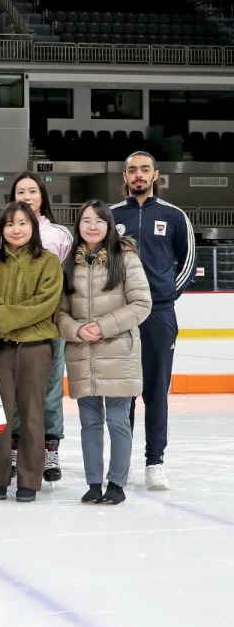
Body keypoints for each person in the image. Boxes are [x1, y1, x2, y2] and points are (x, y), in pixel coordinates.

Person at [112, 151, 196, 491]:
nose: (138, 175)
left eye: (144, 169)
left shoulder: (174, 216)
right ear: (125, 175)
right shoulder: (111, 215)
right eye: (132, 170)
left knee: (156, 390)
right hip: (120, 315)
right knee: (124, 391)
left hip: (159, 313)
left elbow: (187, 259)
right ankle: (123, 460)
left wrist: (164, 295)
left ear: (156, 175)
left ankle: (154, 462)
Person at [58, 201, 152, 506]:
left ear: (109, 225)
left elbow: (141, 304)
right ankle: (93, 483)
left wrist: (103, 326)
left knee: (117, 421)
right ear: (78, 226)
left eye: (99, 221)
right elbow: (59, 312)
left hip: (117, 351)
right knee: (90, 423)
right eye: (86, 220)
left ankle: (117, 483)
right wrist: (75, 330)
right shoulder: (69, 261)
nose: (93, 226)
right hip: (82, 353)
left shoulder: (125, 257)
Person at [0, 202, 63, 502]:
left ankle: (29, 480)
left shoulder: (48, 263)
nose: (16, 229)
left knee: (33, 415)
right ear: (1, 229)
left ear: (33, 227)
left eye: (23, 223)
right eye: (10, 224)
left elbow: (45, 305)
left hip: (36, 349)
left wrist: (3, 317)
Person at [11, 172, 75, 482]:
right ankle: (14, 448)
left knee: (49, 390)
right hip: (14, 328)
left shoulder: (59, 235)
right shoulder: (5, 233)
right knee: (13, 389)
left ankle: (50, 450)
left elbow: (69, 281)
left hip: (50, 326)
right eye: (20, 191)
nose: (26, 195)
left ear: (42, 197)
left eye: (32, 191)